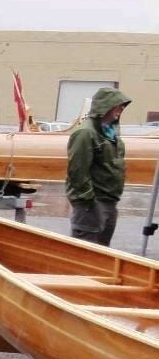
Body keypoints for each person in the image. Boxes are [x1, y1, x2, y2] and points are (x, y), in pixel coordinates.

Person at [65, 87, 130, 246]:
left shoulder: (110, 133)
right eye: (118, 105)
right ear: (106, 106)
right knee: (85, 253)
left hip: (109, 202)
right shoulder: (86, 133)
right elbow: (77, 171)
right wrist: (88, 201)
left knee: (103, 254)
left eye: (123, 106)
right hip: (92, 204)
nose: (121, 109)